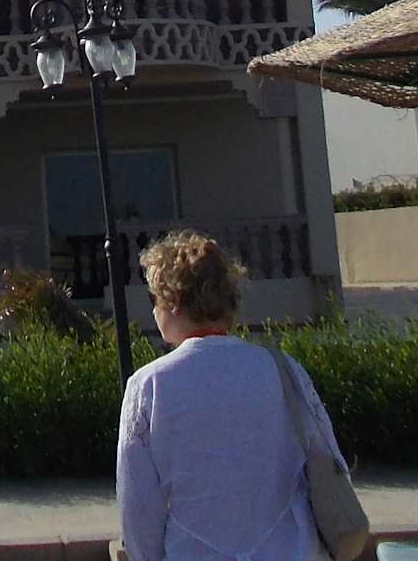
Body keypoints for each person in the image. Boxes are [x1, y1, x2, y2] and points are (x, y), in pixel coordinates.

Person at [116, 232, 343, 561]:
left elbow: (138, 509)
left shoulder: (148, 386)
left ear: (173, 300)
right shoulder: (285, 370)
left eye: (153, 299)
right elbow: (331, 463)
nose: (152, 310)